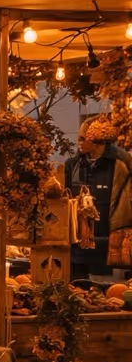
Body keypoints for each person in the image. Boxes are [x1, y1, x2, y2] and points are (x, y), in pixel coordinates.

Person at [65, 117, 132, 276]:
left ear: (97, 141)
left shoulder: (120, 165)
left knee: (108, 294)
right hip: (77, 248)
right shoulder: (72, 165)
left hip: (108, 248)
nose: (78, 142)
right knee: (78, 290)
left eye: (83, 139)